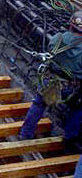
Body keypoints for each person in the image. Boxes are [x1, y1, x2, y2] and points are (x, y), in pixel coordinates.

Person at [19, 11, 82, 152]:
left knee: (39, 104)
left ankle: (25, 133)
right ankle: (69, 140)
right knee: (78, 109)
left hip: (52, 85)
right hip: (71, 90)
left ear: (71, 25)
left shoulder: (57, 38)